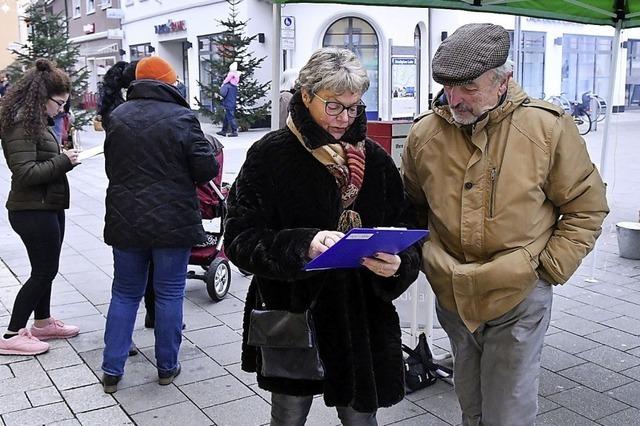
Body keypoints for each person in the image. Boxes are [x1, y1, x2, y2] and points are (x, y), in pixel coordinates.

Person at [402, 23, 609, 426]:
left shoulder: (546, 128)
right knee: (473, 408)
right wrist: (429, 258)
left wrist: (546, 269)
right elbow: (411, 205)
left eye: (468, 87)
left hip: (518, 295)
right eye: (448, 87)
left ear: (503, 81)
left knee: (507, 415)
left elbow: (587, 206)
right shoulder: (425, 133)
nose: (455, 99)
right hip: (454, 294)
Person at [224, 47, 421, 425]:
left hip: (359, 318)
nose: (345, 118)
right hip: (295, 311)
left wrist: (399, 264)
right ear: (306, 95)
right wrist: (303, 245)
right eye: (334, 106)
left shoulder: (374, 159)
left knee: (361, 418)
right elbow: (239, 237)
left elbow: (406, 227)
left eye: (353, 107)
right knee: (288, 415)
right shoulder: (271, 155)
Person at [101, 56, 218, 393]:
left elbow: (113, 168)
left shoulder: (117, 117)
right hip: (172, 221)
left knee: (124, 293)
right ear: (168, 82)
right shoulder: (182, 117)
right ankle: (167, 367)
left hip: (126, 219)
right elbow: (206, 170)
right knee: (168, 293)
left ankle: (112, 370)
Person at [0, 59, 81, 356]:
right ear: (41, 97)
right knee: (43, 271)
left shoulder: (35, 121)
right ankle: (11, 334)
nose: (60, 109)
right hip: (31, 209)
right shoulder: (22, 123)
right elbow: (25, 173)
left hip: (47, 205)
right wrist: (63, 161)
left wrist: (63, 159)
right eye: (58, 103)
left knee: (46, 269)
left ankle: (43, 323)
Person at [216, 63, 239, 137]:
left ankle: (234, 131)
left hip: (228, 103)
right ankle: (224, 131)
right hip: (232, 103)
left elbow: (222, 93)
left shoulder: (227, 86)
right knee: (227, 117)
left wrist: (222, 86)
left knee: (230, 117)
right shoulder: (235, 86)